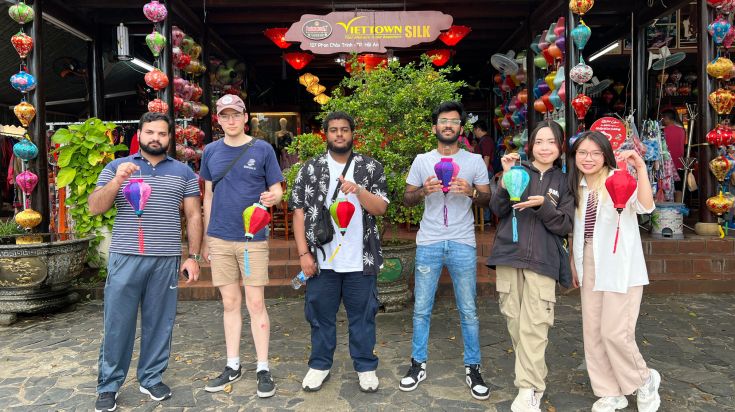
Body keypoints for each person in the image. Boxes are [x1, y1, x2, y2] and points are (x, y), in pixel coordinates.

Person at [90, 112, 202, 412]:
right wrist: (117, 181)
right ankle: (109, 385)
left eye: (162, 133)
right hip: (126, 256)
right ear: (139, 134)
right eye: (150, 132)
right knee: (118, 323)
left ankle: (151, 377)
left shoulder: (184, 173)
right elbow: (95, 207)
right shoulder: (117, 166)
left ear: (169, 138)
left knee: (160, 322)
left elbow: (193, 215)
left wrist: (193, 256)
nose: (156, 138)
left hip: (166, 259)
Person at [290, 111, 389, 393]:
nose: (339, 134)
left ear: (352, 133)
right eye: (333, 130)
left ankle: (366, 367)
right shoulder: (309, 169)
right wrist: (303, 255)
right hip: (321, 260)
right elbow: (298, 213)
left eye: (344, 129)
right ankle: (319, 365)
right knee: (320, 315)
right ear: (326, 134)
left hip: (361, 259)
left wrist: (358, 190)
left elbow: (381, 208)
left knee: (363, 316)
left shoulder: (371, 168)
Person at [400, 101, 492, 400]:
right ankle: (417, 364)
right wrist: (422, 191)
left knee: (468, 310)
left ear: (461, 128)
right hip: (428, 241)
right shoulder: (422, 160)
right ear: (435, 127)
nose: (448, 125)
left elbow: (488, 200)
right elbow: (407, 198)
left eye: (454, 121)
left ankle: (473, 366)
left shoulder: (475, 160)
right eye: (443, 121)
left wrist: (472, 192)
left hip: (463, 241)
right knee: (421, 309)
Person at [568, 131, 661, 412]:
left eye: (595, 153)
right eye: (582, 153)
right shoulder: (577, 186)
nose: (588, 158)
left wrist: (641, 168)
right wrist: (574, 262)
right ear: (574, 156)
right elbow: (576, 229)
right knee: (593, 332)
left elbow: (646, 206)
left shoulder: (618, 179)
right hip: (588, 261)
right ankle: (609, 391)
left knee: (615, 332)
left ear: (606, 155)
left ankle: (644, 380)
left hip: (620, 264)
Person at [200, 95, 284, 398]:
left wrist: (274, 198)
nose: (231, 120)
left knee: (256, 303)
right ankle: (232, 364)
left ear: (245, 117)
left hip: (252, 238)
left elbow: (276, 189)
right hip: (221, 238)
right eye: (225, 116)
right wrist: (209, 237)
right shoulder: (210, 151)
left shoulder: (262, 149)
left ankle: (263, 367)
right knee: (230, 303)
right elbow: (208, 196)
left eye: (236, 115)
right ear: (219, 120)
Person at [487, 120, 574, 412]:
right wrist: (504, 178)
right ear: (531, 146)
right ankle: (532, 383)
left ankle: (528, 390)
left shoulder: (564, 181)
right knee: (516, 323)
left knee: (535, 327)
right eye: (539, 142)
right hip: (510, 257)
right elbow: (498, 210)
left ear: (560, 147)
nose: (545, 147)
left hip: (543, 261)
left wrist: (542, 206)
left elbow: (565, 224)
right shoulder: (517, 172)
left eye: (551, 142)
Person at [660, 109, 686, 198]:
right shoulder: (681, 130)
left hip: (667, 164)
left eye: (662, 118)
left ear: (667, 118)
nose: (662, 121)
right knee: (678, 187)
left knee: (666, 187)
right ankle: (679, 208)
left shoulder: (662, 132)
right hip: (680, 162)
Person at [474, 120, 495, 224]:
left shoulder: (486, 140)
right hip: (485, 171)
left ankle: (486, 219)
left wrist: (483, 173)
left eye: (475, 130)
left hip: (486, 171)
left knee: (484, 193)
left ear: (478, 129)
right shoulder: (484, 140)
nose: (474, 133)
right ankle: (485, 218)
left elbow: (486, 157)